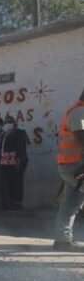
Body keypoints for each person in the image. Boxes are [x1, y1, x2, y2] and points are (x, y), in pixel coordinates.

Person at [54, 91, 84, 249]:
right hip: (77, 165)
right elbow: (82, 136)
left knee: (70, 203)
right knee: (70, 203)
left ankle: (62, 240)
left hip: (72, 166)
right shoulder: (80, 111)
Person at [0, 115, 29, 210]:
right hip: (5, 162)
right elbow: (1, 148)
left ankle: (17, 202)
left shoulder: (19, 133)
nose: (7, 124)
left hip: (16, 161)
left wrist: (19, 160)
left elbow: (20, 147)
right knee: (8, 182)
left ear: (14, 123)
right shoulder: (4, 134)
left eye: (10, 122)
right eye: (6, 122)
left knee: (17, 182)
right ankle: (9, 202)